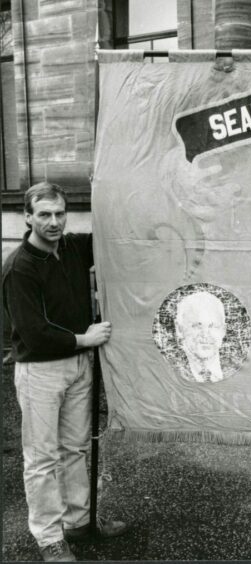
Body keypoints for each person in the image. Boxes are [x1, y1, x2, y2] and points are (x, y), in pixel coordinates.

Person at [2, 182, 128, 562]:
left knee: (75, 448)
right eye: (44, 214)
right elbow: (33, 332)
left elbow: (115, 236)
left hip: (78, 367)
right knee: (42, 459)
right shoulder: (18, 267)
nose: (54, 222)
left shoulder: (72, 247)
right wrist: (84, 340)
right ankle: (49, 537)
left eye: (59, 213)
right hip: (40, 371)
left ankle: (79, 520)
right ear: (27, 217)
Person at [175, 291, 226, 383]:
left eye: (213, 326)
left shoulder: (238, 367)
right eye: (197, 326)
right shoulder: (167, 371)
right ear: (180, 330)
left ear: (223, 330)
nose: (205, 335)